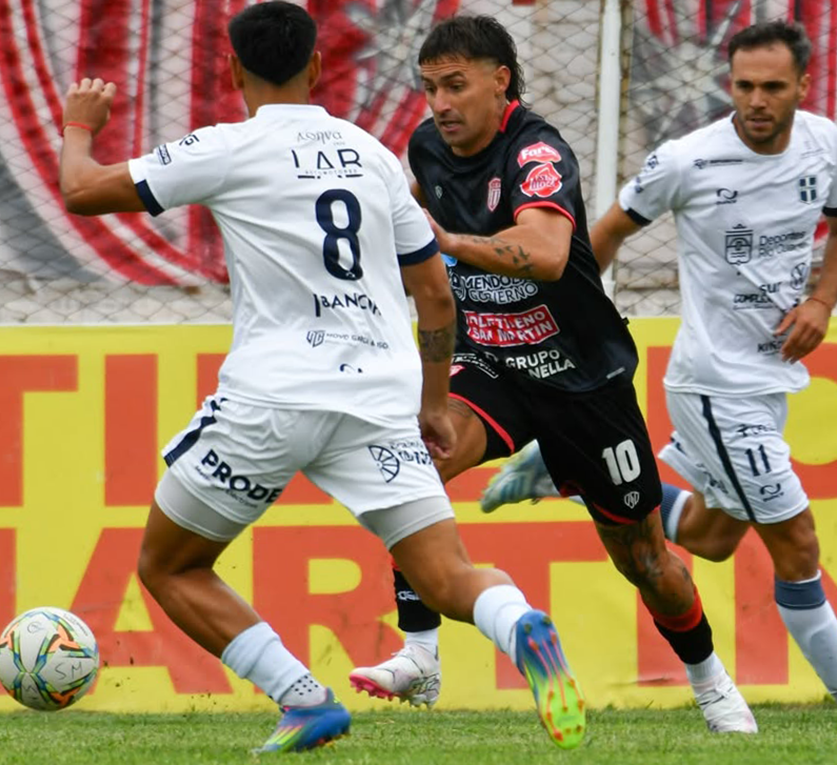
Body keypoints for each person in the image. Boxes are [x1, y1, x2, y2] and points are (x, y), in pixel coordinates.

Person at [57, 2, 588, 751]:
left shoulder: (227, 147)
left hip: (274, 397)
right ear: (315, 67)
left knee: (171, 564)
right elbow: (434, 293)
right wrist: (434, 404)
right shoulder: (372, 155)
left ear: (233, 69)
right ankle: (521, 620)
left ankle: (304, 699)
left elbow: (82, 191)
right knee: (447, 575)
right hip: (379, 396)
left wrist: (81, 121)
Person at [476, 19, 837, 724]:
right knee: (797, 539)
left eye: (772, 87)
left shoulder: (824, 143)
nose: (756, 100)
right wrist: (572, 325)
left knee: (713, 535)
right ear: (729, 83)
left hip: (769, 379)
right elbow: (600, 236)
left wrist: (821, 300)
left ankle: (565, 473)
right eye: (743, 86)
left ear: (801, 87)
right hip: (716, 383)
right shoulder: (686, 160)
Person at [347, 15, 756, 733]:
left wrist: (444, 242)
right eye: (428, 87)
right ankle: (420, 653)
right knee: (411, 464)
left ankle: (711, 681)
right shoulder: (426, 148)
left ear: (499, 80)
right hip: (490, 365)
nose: (439, 103)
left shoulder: (537, 152)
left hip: (580, 379)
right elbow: (412, 224)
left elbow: (544, 252)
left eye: (455, 85)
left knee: (644, 559)